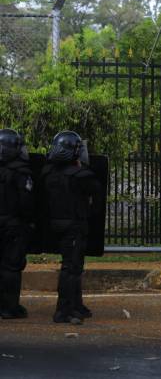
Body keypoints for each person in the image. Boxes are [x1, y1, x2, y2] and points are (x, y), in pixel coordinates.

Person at [41, 131, 102, 325]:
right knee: (71, 268)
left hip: (57, 224)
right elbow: (96, 197)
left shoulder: (48, 173)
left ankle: (76, 306)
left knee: (74, 266)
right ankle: (64, 311)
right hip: (74, 226)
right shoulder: (80, 175)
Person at [0, 129, 33, 320]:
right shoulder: (20, 173)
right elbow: (26, 203)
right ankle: (9, 307)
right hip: (13, 226)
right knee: (11, 267)